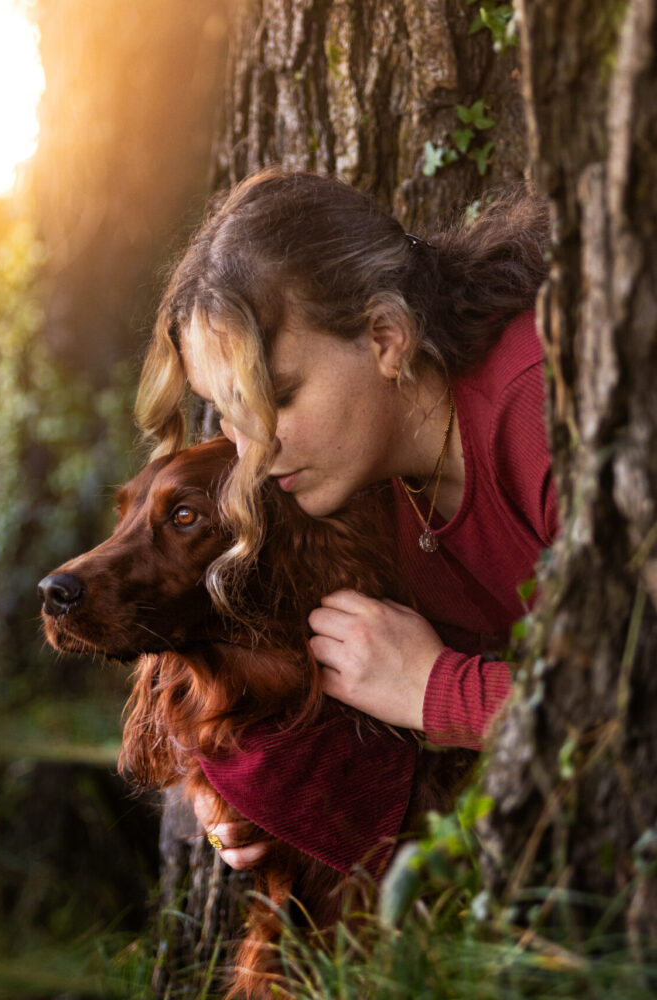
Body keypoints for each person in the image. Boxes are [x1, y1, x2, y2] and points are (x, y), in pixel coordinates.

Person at [133, 167, 556, 871]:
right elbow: (202, 659)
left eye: (279, 399)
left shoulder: (540, 404)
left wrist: (436, 690)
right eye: (230, 416)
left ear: (385, 336)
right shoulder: (343, 484)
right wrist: (219, 796)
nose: (254, 453)